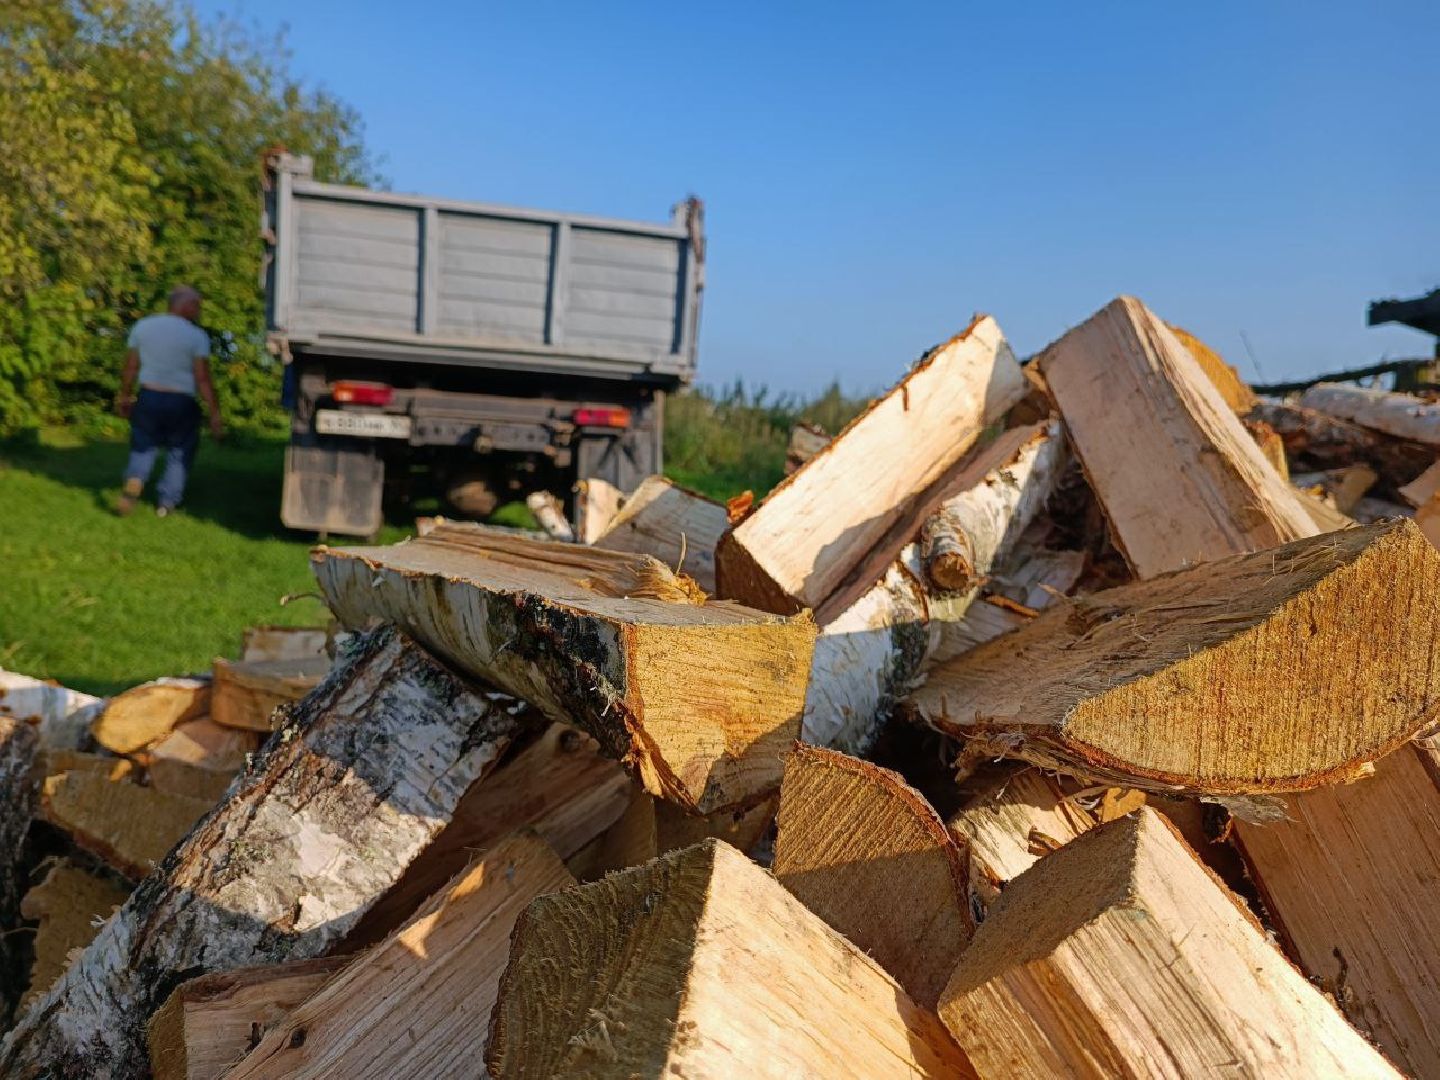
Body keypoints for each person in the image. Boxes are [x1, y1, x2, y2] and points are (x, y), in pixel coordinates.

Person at [115, 285, 224, 516]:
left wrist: (124, 395)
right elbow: (202, 377)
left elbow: (131, 367)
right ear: (183, 305)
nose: (198, 311)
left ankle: (134, 480)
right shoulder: (196, 336)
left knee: (143, 444)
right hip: (181, 401)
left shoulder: (143, 326)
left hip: (148, 396)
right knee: (180, 449)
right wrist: (214, 411)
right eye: (196, 305)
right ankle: (166, 503)